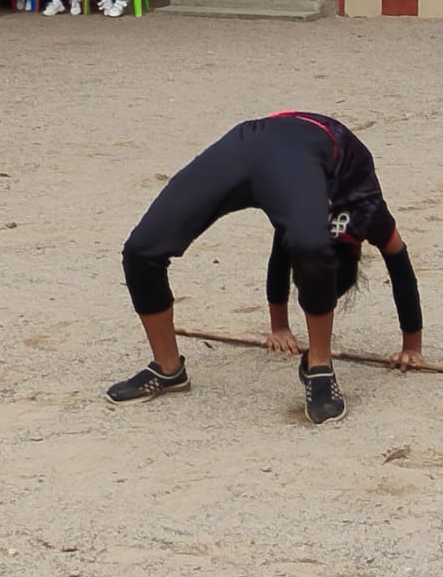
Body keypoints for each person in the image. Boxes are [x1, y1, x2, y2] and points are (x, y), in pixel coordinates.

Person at [109, 111, 425, 425]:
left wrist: (281, 326)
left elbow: (286, 247)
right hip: (275, 139)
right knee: (141, 251)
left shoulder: (307, 223)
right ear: (356, 250)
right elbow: (399, 263)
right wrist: (411, 344)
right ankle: (167, 367)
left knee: (307, 244)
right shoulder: (368, 208)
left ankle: (318, 366)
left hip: (263, 149)